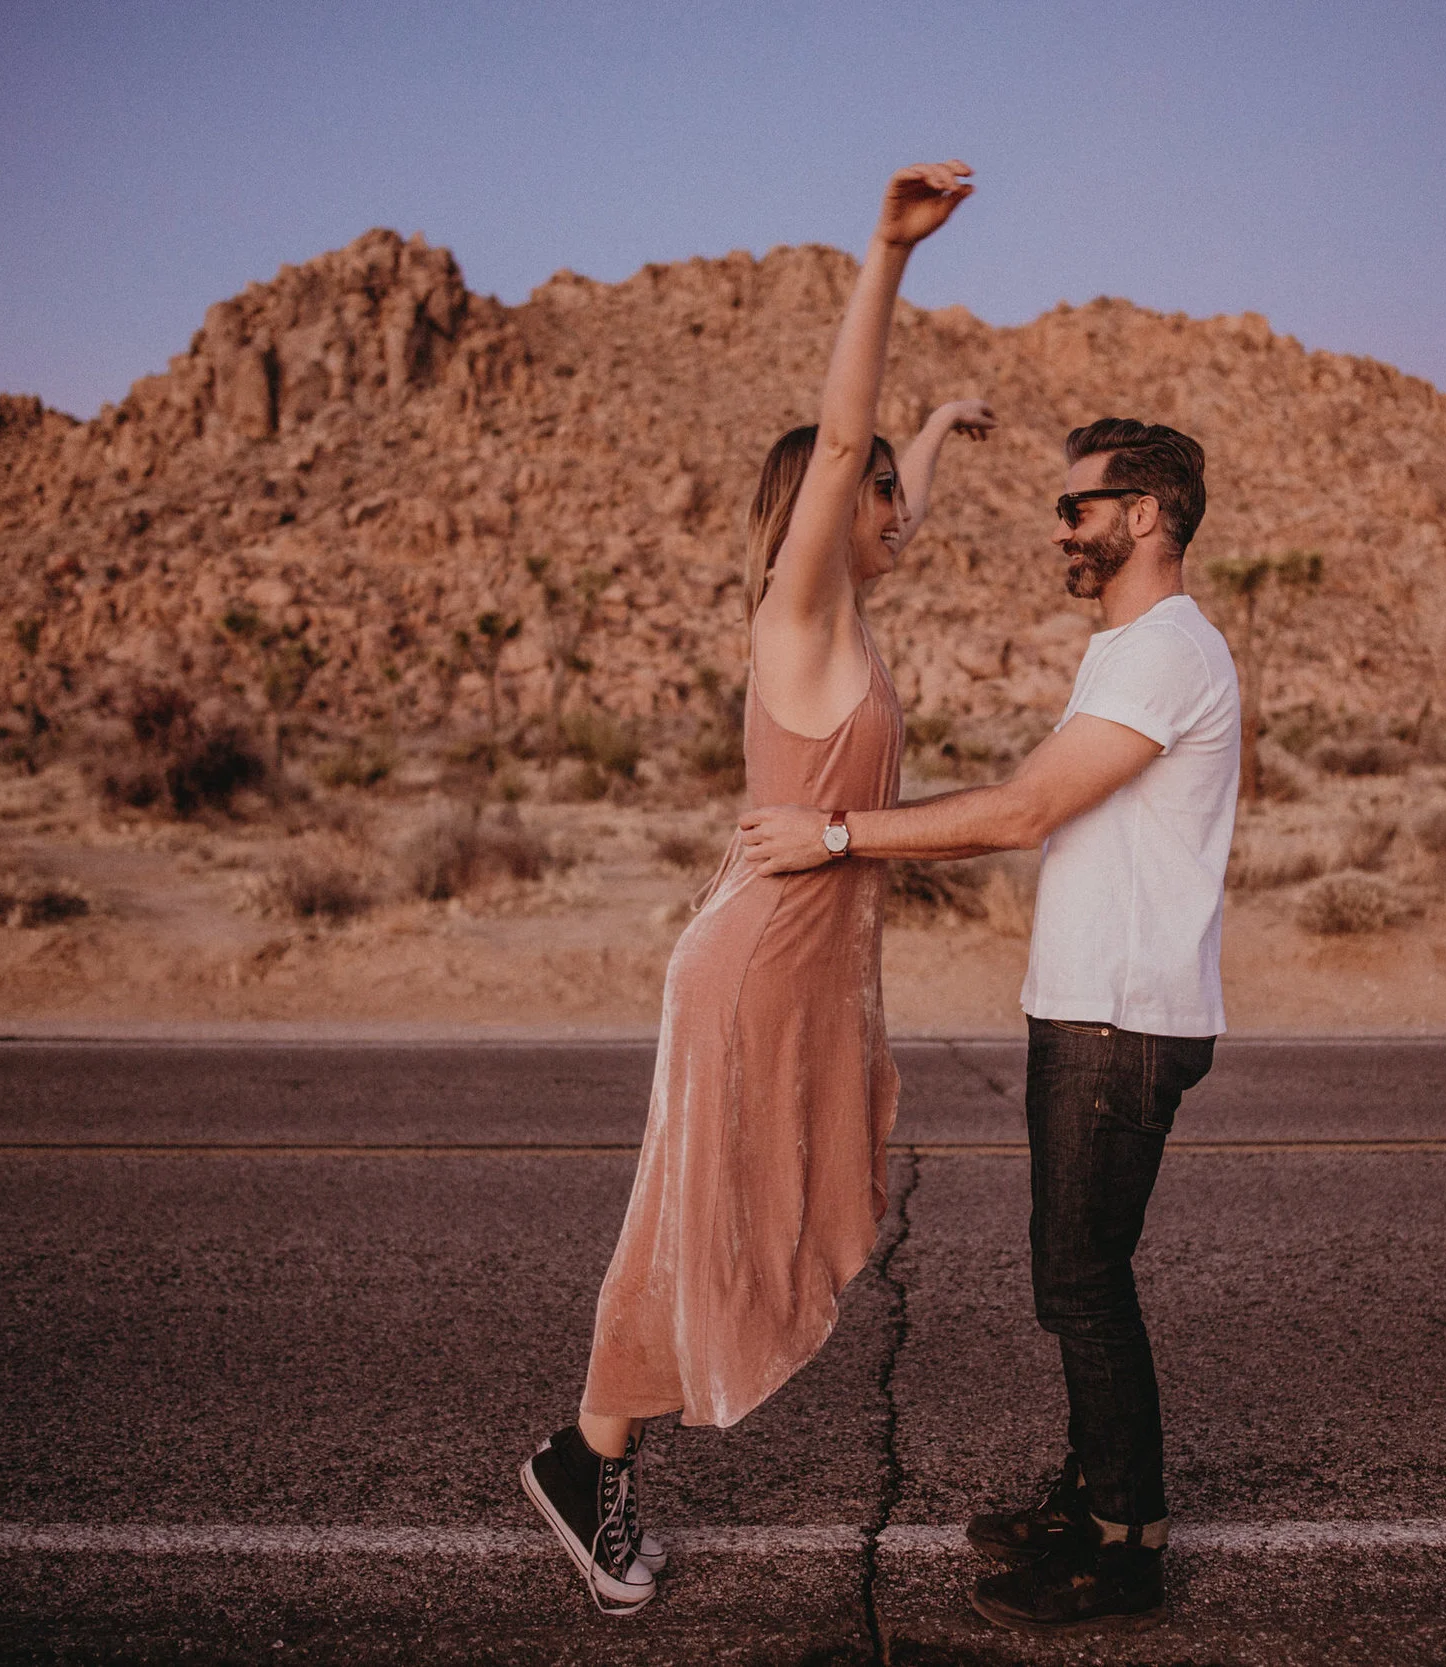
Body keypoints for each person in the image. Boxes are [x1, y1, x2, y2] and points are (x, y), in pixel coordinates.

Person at [519, 161, 991, 1616]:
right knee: (683, 1220)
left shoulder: (849, 623)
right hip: (748, 967)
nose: (902, 512)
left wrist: (942, 431)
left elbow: (878, 470)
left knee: (715, 1218)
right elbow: (844, 438)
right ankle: (580, 1457)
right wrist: (885, 255)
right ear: (826, 504)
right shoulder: (797, 617)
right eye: (884, 494)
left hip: (799, 972)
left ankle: (591, 1451)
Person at [738, 417, 1239, 1635]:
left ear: (1148, 513)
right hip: (1090, 1006)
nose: (1060, 528)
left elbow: (1021, 812)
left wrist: (837, 833)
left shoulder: (1164, 651)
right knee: (1072, 1277)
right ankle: (1089, 1494)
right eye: (1061, 507)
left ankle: (1124, 1544)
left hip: (1121, 1017)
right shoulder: (1130, 646)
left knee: (1082, 1283)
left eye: (1080, 507)